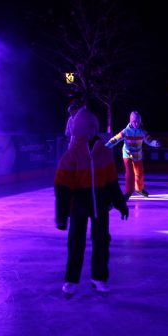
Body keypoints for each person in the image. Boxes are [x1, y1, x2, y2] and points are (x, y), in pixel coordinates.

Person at [55, 107, 128, 295]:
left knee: (102, 241)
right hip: (78, 206)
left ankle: (99, 277)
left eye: (92, 127)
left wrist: (120, 203)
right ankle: (71, 279)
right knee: (75, 243)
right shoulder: (71, 156)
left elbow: (112, 182)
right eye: (85, 128)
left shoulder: (104, 153)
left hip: (101, 206)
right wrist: (62, 216)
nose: (90, 131)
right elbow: (62, 189)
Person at [105, 111, 160, 199]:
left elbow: (149, 140)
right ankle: (128, 192)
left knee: (139, 173)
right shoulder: (126, 131)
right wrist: (106, 146)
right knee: (130, 173)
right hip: (128, 155)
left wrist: (155, 143)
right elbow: (116, 139)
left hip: (138, 155)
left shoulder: (142, 131)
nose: (136, 123)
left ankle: (139, 189)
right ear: (130, 121)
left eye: (138, 121)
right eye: (134, 121)